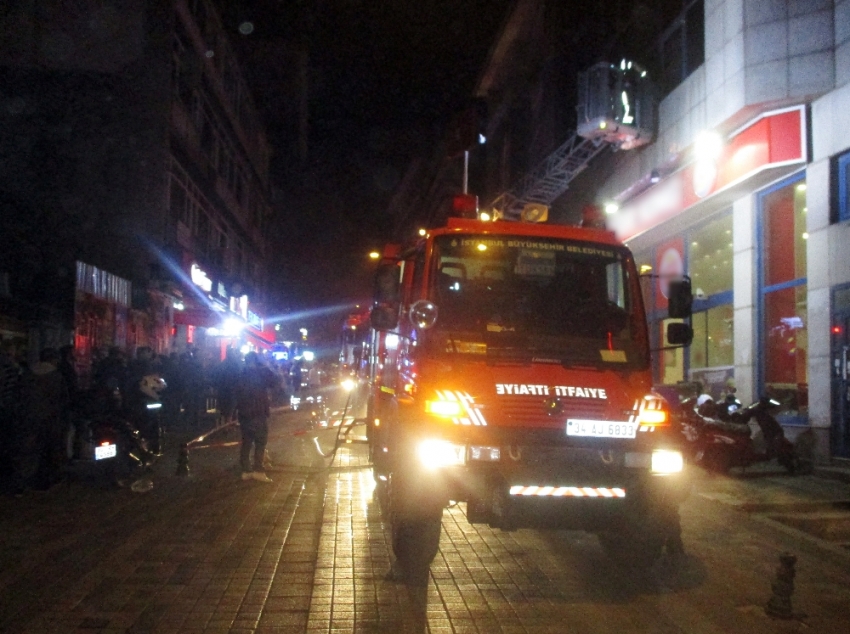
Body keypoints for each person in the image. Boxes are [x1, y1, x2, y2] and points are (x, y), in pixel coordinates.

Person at [18, 348, 69, 491]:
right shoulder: (56, 376)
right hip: (50, 418)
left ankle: (27, 479)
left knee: (31, 449)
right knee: (49, 449)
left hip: (30, 416)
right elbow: (62, 399)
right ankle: (46, 479)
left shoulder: (28, 374)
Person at [234, 352, 278, 482]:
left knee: (246, 442)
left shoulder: (242, 374)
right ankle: (258, 469)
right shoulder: (260, 373)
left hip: (244, 413)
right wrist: (266, 365)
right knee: (260, 441)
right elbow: (275, 381)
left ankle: (246, 470)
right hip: (257, 412)